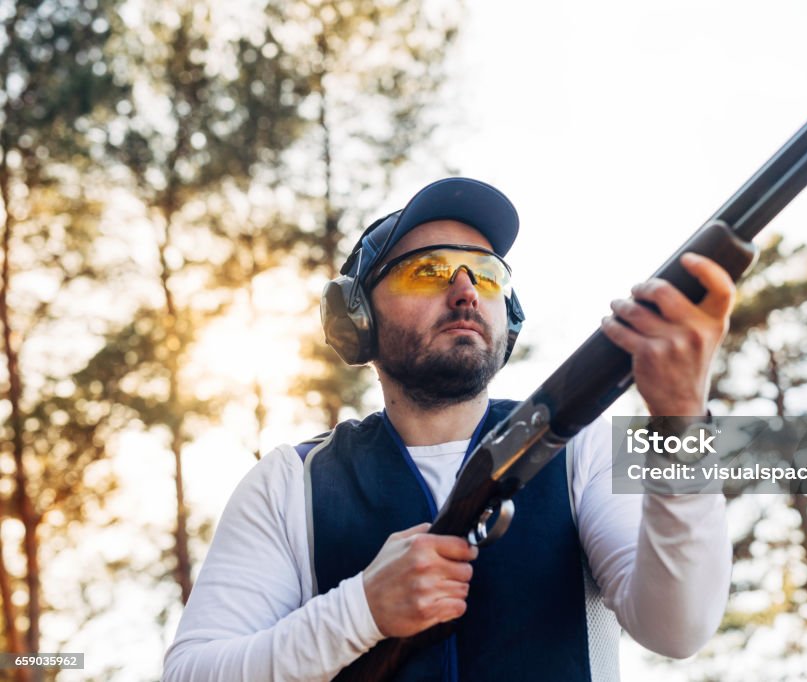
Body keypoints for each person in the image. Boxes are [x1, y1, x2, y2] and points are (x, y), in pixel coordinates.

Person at [163, 177, 734, 681]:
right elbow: (192, 673)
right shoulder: (291, 482)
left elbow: (678, 628)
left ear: (507, 314)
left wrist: (681, 416)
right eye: (428, 270)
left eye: (486, 276)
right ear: (356, 319)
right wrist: (359, 611)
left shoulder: (582, 445)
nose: (465, 291)